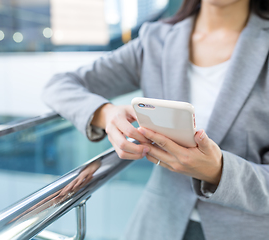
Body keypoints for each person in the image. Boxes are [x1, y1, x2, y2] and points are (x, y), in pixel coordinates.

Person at [42, 0, 269, 239]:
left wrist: (219, 171)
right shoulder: (156, 41)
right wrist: (106, 113)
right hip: (159, 224)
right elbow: (58, 86)